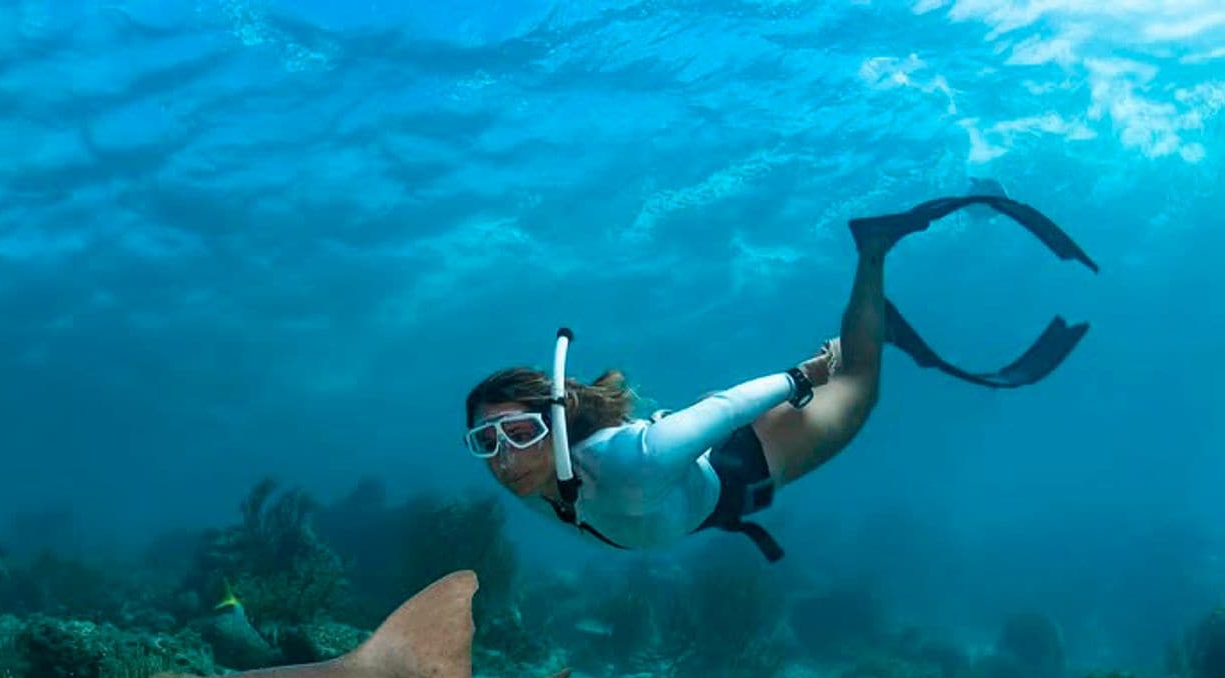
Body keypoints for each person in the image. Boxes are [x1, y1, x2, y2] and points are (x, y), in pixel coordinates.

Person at [461, 193, 1099, 563]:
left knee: (860, 385)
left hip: (748, 461)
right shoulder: (538, 480)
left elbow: (727, 405)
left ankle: (874, 253)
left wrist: (808, 373)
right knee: (861, 368)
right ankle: (875, 327)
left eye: (515, 432)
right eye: (484, 443)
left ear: (553, 423)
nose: (502, 457)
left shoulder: (635, 459)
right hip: (703, 485)